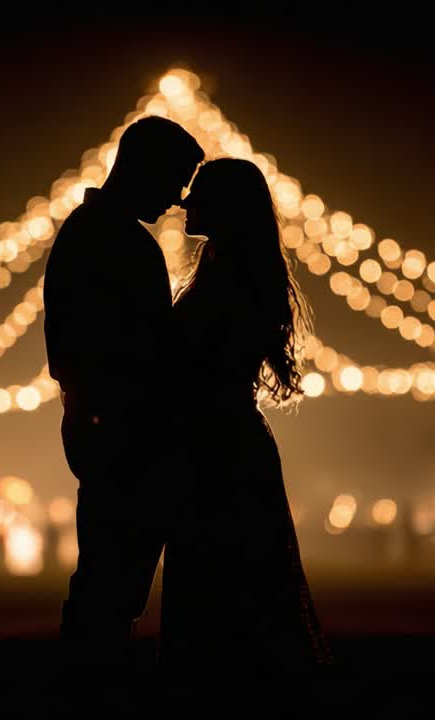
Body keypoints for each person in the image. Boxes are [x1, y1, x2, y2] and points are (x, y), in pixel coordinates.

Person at [42, 115, 204, 701]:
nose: (177, 200)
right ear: (143, 169)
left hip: (107, 431)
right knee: (114, 578)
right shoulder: (115, 243)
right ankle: (89, 687)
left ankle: (89, 681)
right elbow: (137, 349)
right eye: (175, 180)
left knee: (109, 577)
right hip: (127, 436)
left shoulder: (88, 234)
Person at [160, 158, 332, 702]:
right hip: (227, 443)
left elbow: (199, 365)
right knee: (236, 582)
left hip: (221, 452)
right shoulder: (227, 265)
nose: (185, 202)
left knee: (225, 583)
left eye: (199, 193)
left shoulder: (230, 276)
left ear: (227, 207)